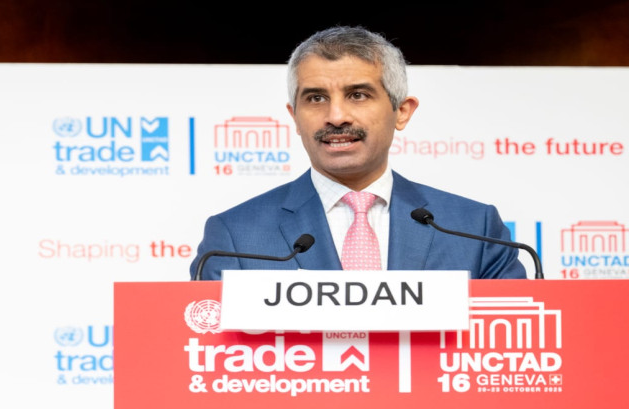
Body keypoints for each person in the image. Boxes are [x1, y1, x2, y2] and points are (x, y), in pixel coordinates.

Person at [191, 26, 525, 280]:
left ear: (402, 112)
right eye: (316, 98)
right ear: (295, 117)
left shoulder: (474, 229)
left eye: (358, 95)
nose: (336, 117)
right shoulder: (234, 236)